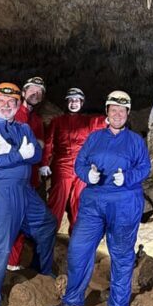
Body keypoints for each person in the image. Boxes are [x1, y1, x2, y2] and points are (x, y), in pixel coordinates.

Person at [48, 90, 151, 306]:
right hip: (94, 201)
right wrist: (88, 175)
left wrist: (128, 177)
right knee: (78, 249)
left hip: (124, 202)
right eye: (113, 109)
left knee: (122, 254)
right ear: (107, 112)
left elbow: (145, 167)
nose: (117, 114)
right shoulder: (94, 138)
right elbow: (80, 163)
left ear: (127, 113)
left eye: (122, 110)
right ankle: (73, 298)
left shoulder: (135, 141)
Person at [0, 83, 57, 306]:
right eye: (2, 102)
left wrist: (10, 151)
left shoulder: (23, 128)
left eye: (12, 102)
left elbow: (37, 156)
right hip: (0, 193)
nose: (7, 105)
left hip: (24, 191)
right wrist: (19, 154)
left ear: (18, 105)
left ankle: (41, 269)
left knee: (47, 224)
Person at [41, 87, 105, 233]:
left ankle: (78, 234)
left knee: (80, 200)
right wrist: (44, 163)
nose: (74, 103)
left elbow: (101, 122)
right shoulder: (57, 122)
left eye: (77, 100)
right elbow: (49, 143)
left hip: (82, 166)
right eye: (71, 100)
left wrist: (112, 115)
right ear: (67, 102)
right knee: (58, 199)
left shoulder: (87, 121)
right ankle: (48, 233)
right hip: (62, 165)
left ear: (81, 103)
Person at [8, 76, 47, 271]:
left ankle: (13, 261)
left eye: (39, 92)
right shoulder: (13, 113)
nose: (35, 94)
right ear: (23, 92)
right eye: (32, 90)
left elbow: (40, 147)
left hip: (29, 177)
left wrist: (40, 167)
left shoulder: (38, 121)